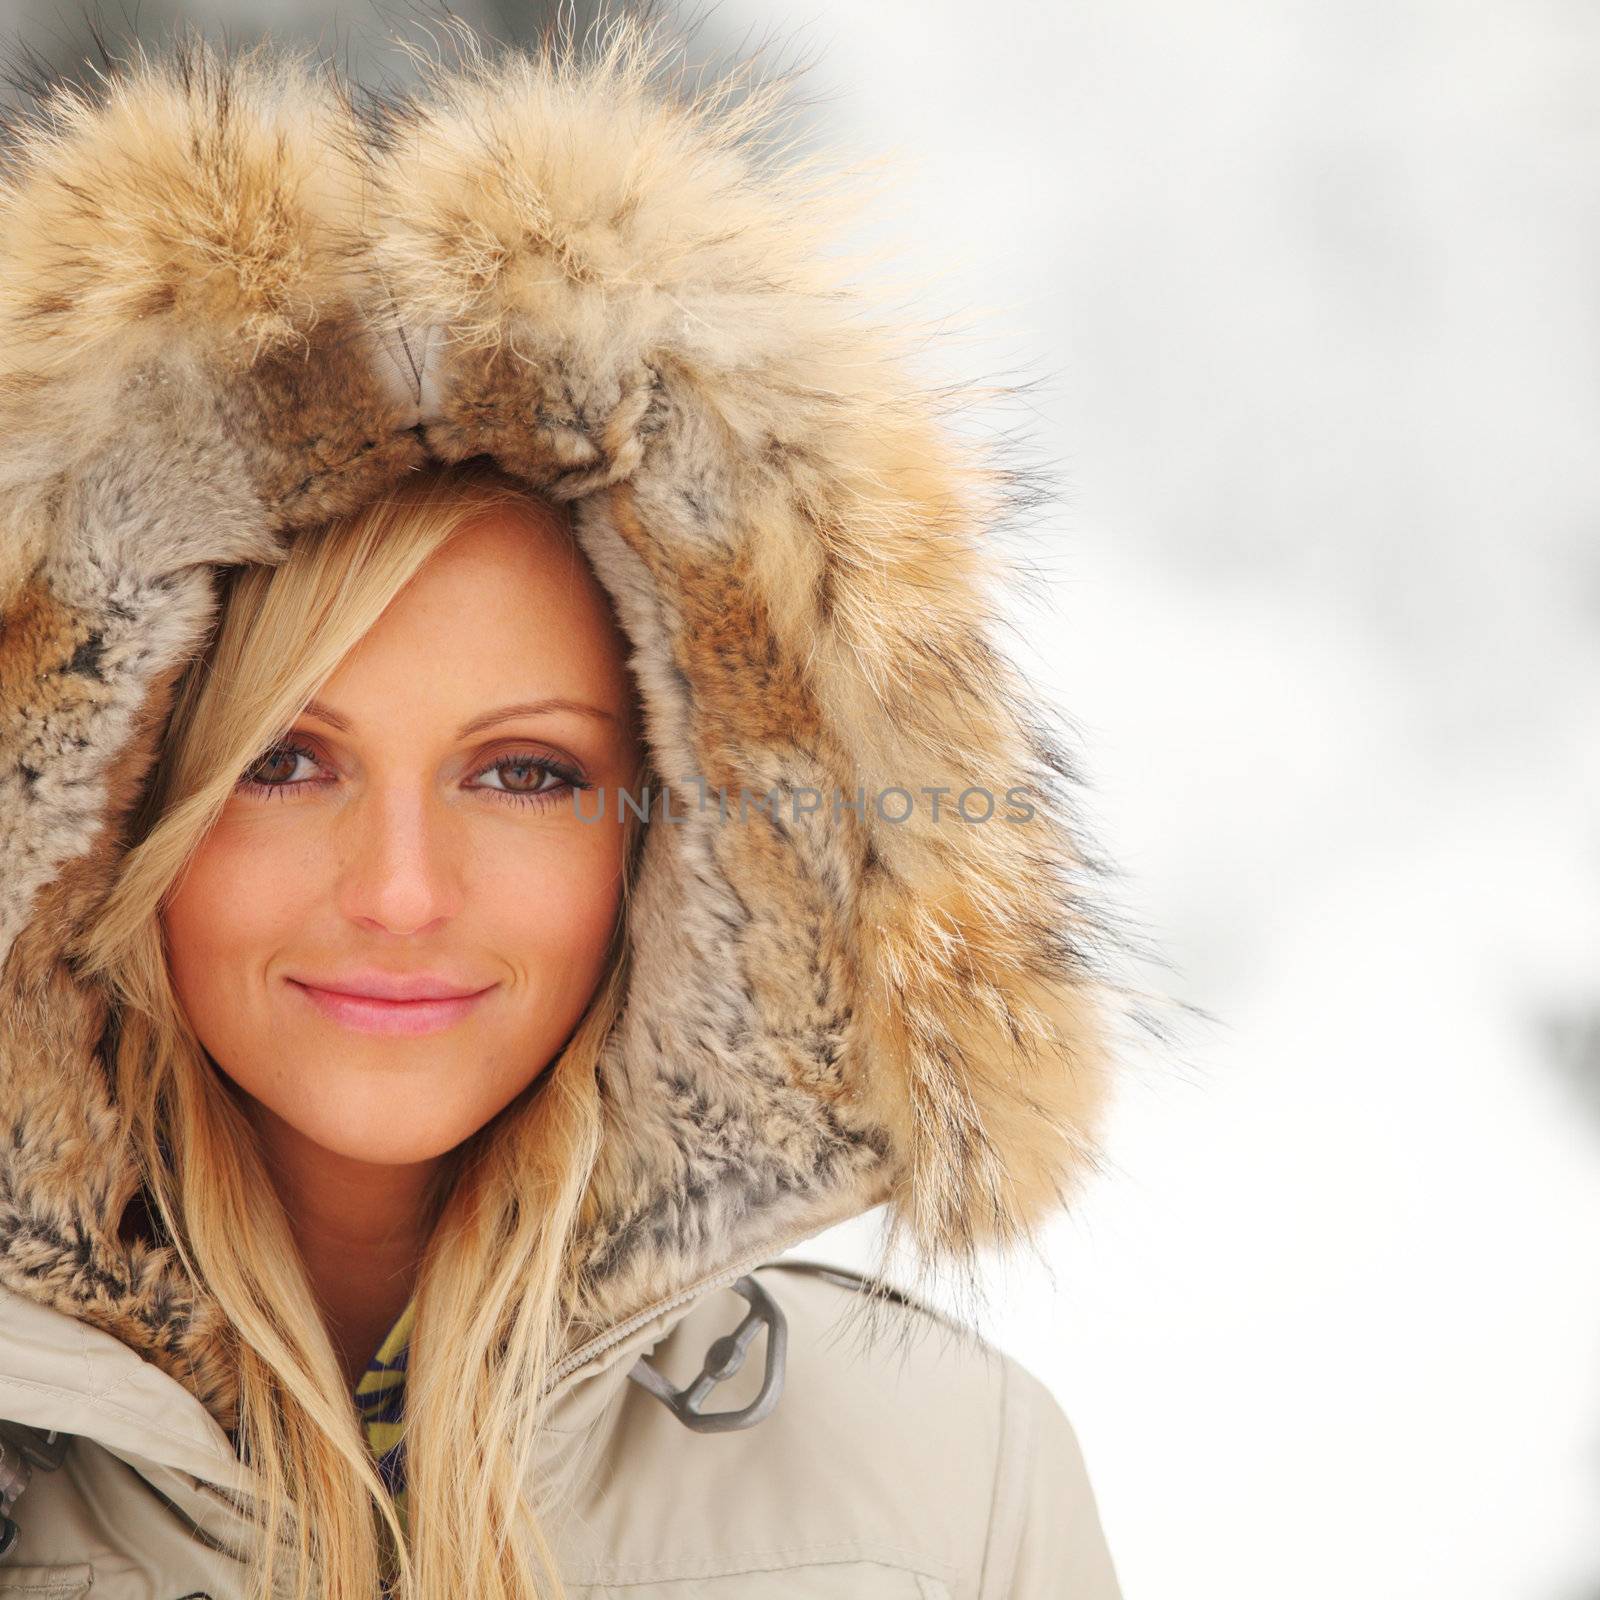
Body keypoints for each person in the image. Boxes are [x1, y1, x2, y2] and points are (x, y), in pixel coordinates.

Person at [0, 13, 1140, 1599]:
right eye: (285, 760)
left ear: (683, 850)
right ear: (95, 821)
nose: (400, 890)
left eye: (527, 772)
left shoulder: (940, 1485)